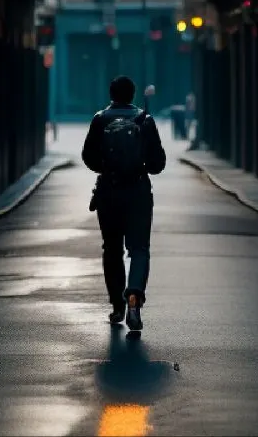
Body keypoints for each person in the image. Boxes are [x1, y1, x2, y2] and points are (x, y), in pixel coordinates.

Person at [82, 75, 166, 331]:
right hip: (138, 192)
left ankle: (117, 305)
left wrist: (107, 169)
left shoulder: (100, 119)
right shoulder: (144, 120)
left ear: (111, 94)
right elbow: (158, 164)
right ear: (132, 95)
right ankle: (134, 297)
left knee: (112, 248)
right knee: (139, 248)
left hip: (109, 192)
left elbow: (88, 156)